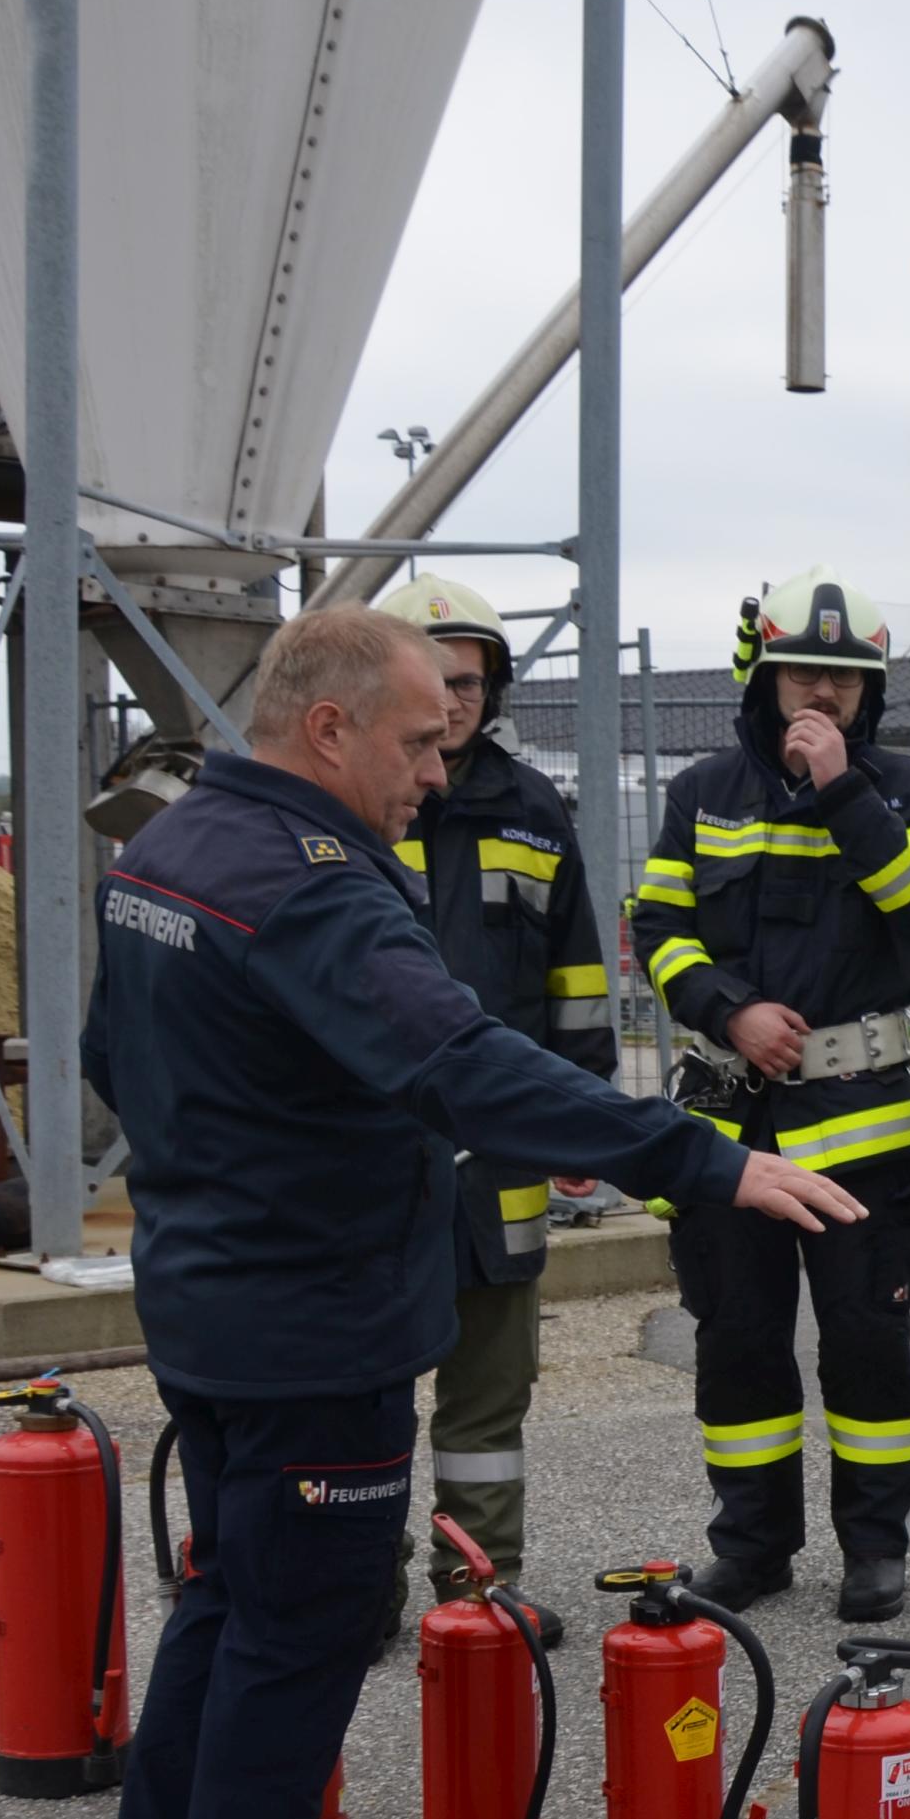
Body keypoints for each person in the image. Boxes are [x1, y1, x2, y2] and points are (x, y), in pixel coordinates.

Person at [84, 606, 855, 1819]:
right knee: (301, 1627)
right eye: (418, 741)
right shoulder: (309, 884)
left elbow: (103, 1058)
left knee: (226, 1601)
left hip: (205, 1298)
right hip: (315, 1317)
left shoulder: (168, 852)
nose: (437, 774)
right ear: (328, 730)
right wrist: (706, 1158)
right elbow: (456, 1061)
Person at [632, 568, 910, 1620]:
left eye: (845, 678)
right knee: (736, 1341)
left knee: (869, 1346)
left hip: (860, 1124)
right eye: (802, 673)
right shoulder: (702, 792)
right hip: (730, 1121)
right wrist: (727, 1008)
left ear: (871, 693)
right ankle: (752, 1544)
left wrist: (841, 791)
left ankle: (874, 1550)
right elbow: (657, 928)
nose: (821, 692)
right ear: (766, 675)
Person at [368, 571, 617, 1637]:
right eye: (433, 680)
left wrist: (584, 1120)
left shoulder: (529, 806)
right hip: (371, 1152)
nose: (454, 700)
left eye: (469, 679)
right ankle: (357, 1588)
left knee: (488, 1392)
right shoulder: (350, 802)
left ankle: (476, 1587)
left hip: (498, 1153)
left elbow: (574, 975)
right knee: (364, 1384)